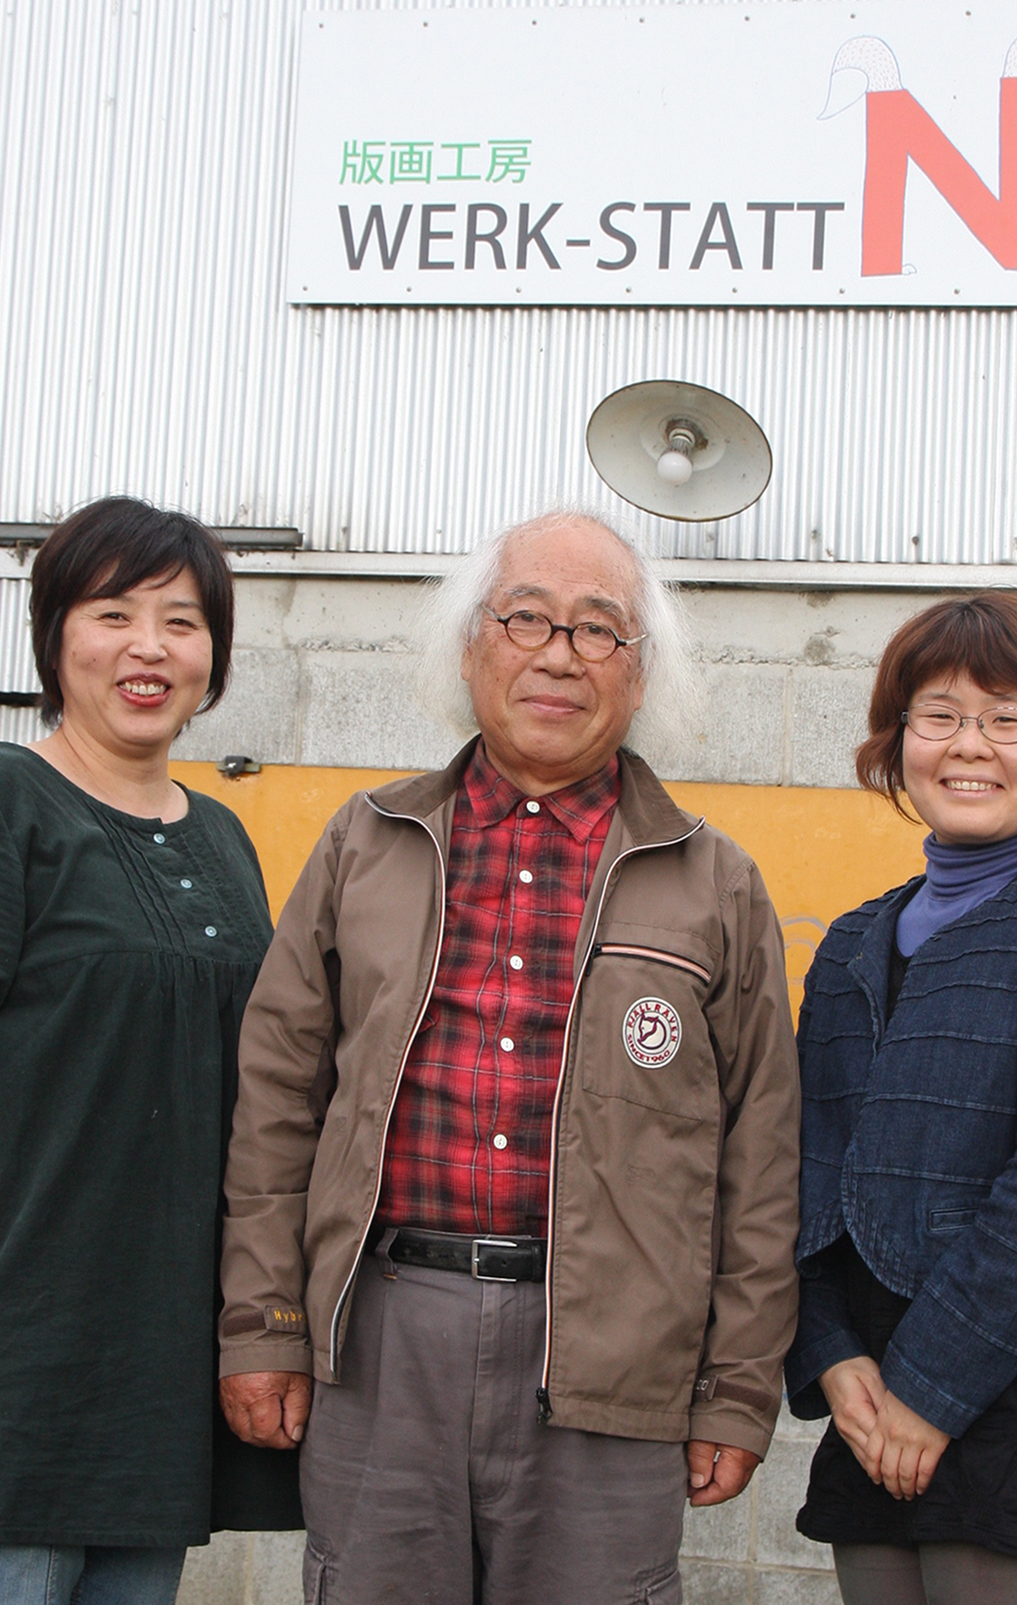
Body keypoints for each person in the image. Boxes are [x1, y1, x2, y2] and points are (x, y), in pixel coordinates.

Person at [217, 510, 801, 1604]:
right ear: (470, 646)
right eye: (525, 617)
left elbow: (760, 1156)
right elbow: (275, 1105)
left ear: (639, 675)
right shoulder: (363, 842)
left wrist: (735, 1385)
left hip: (614, 1360)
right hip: (381, 1334)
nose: (559, 655)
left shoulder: (715, 883)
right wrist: (263, 1325)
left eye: (599, 629)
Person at [0, 498, 301, 1604]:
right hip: (12, 1343)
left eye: (182, 622)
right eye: (113, 613)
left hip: (155, 1357)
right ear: (55, 636)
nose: (150, 648)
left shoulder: (221, 837)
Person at [783, 592, 1017, 1604]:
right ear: (898, 738)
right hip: (871, 1394)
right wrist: (830, 1355)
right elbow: (803, 1170)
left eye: (1007, 717)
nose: (969, 745)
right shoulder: (852, 943)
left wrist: (931, 1389)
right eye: (940, 714)